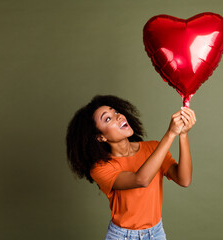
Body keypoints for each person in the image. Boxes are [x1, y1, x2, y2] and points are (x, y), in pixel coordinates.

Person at [66, 95, 196, 240]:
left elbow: (184, 180)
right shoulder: (100, 168)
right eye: (107, 119)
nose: (118, 117)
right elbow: (141, 180)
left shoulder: (153, 148)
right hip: (122, 236)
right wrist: (171, 133)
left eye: (115, 112)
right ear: (100, 137)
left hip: (156, 233)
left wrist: (183, 135)